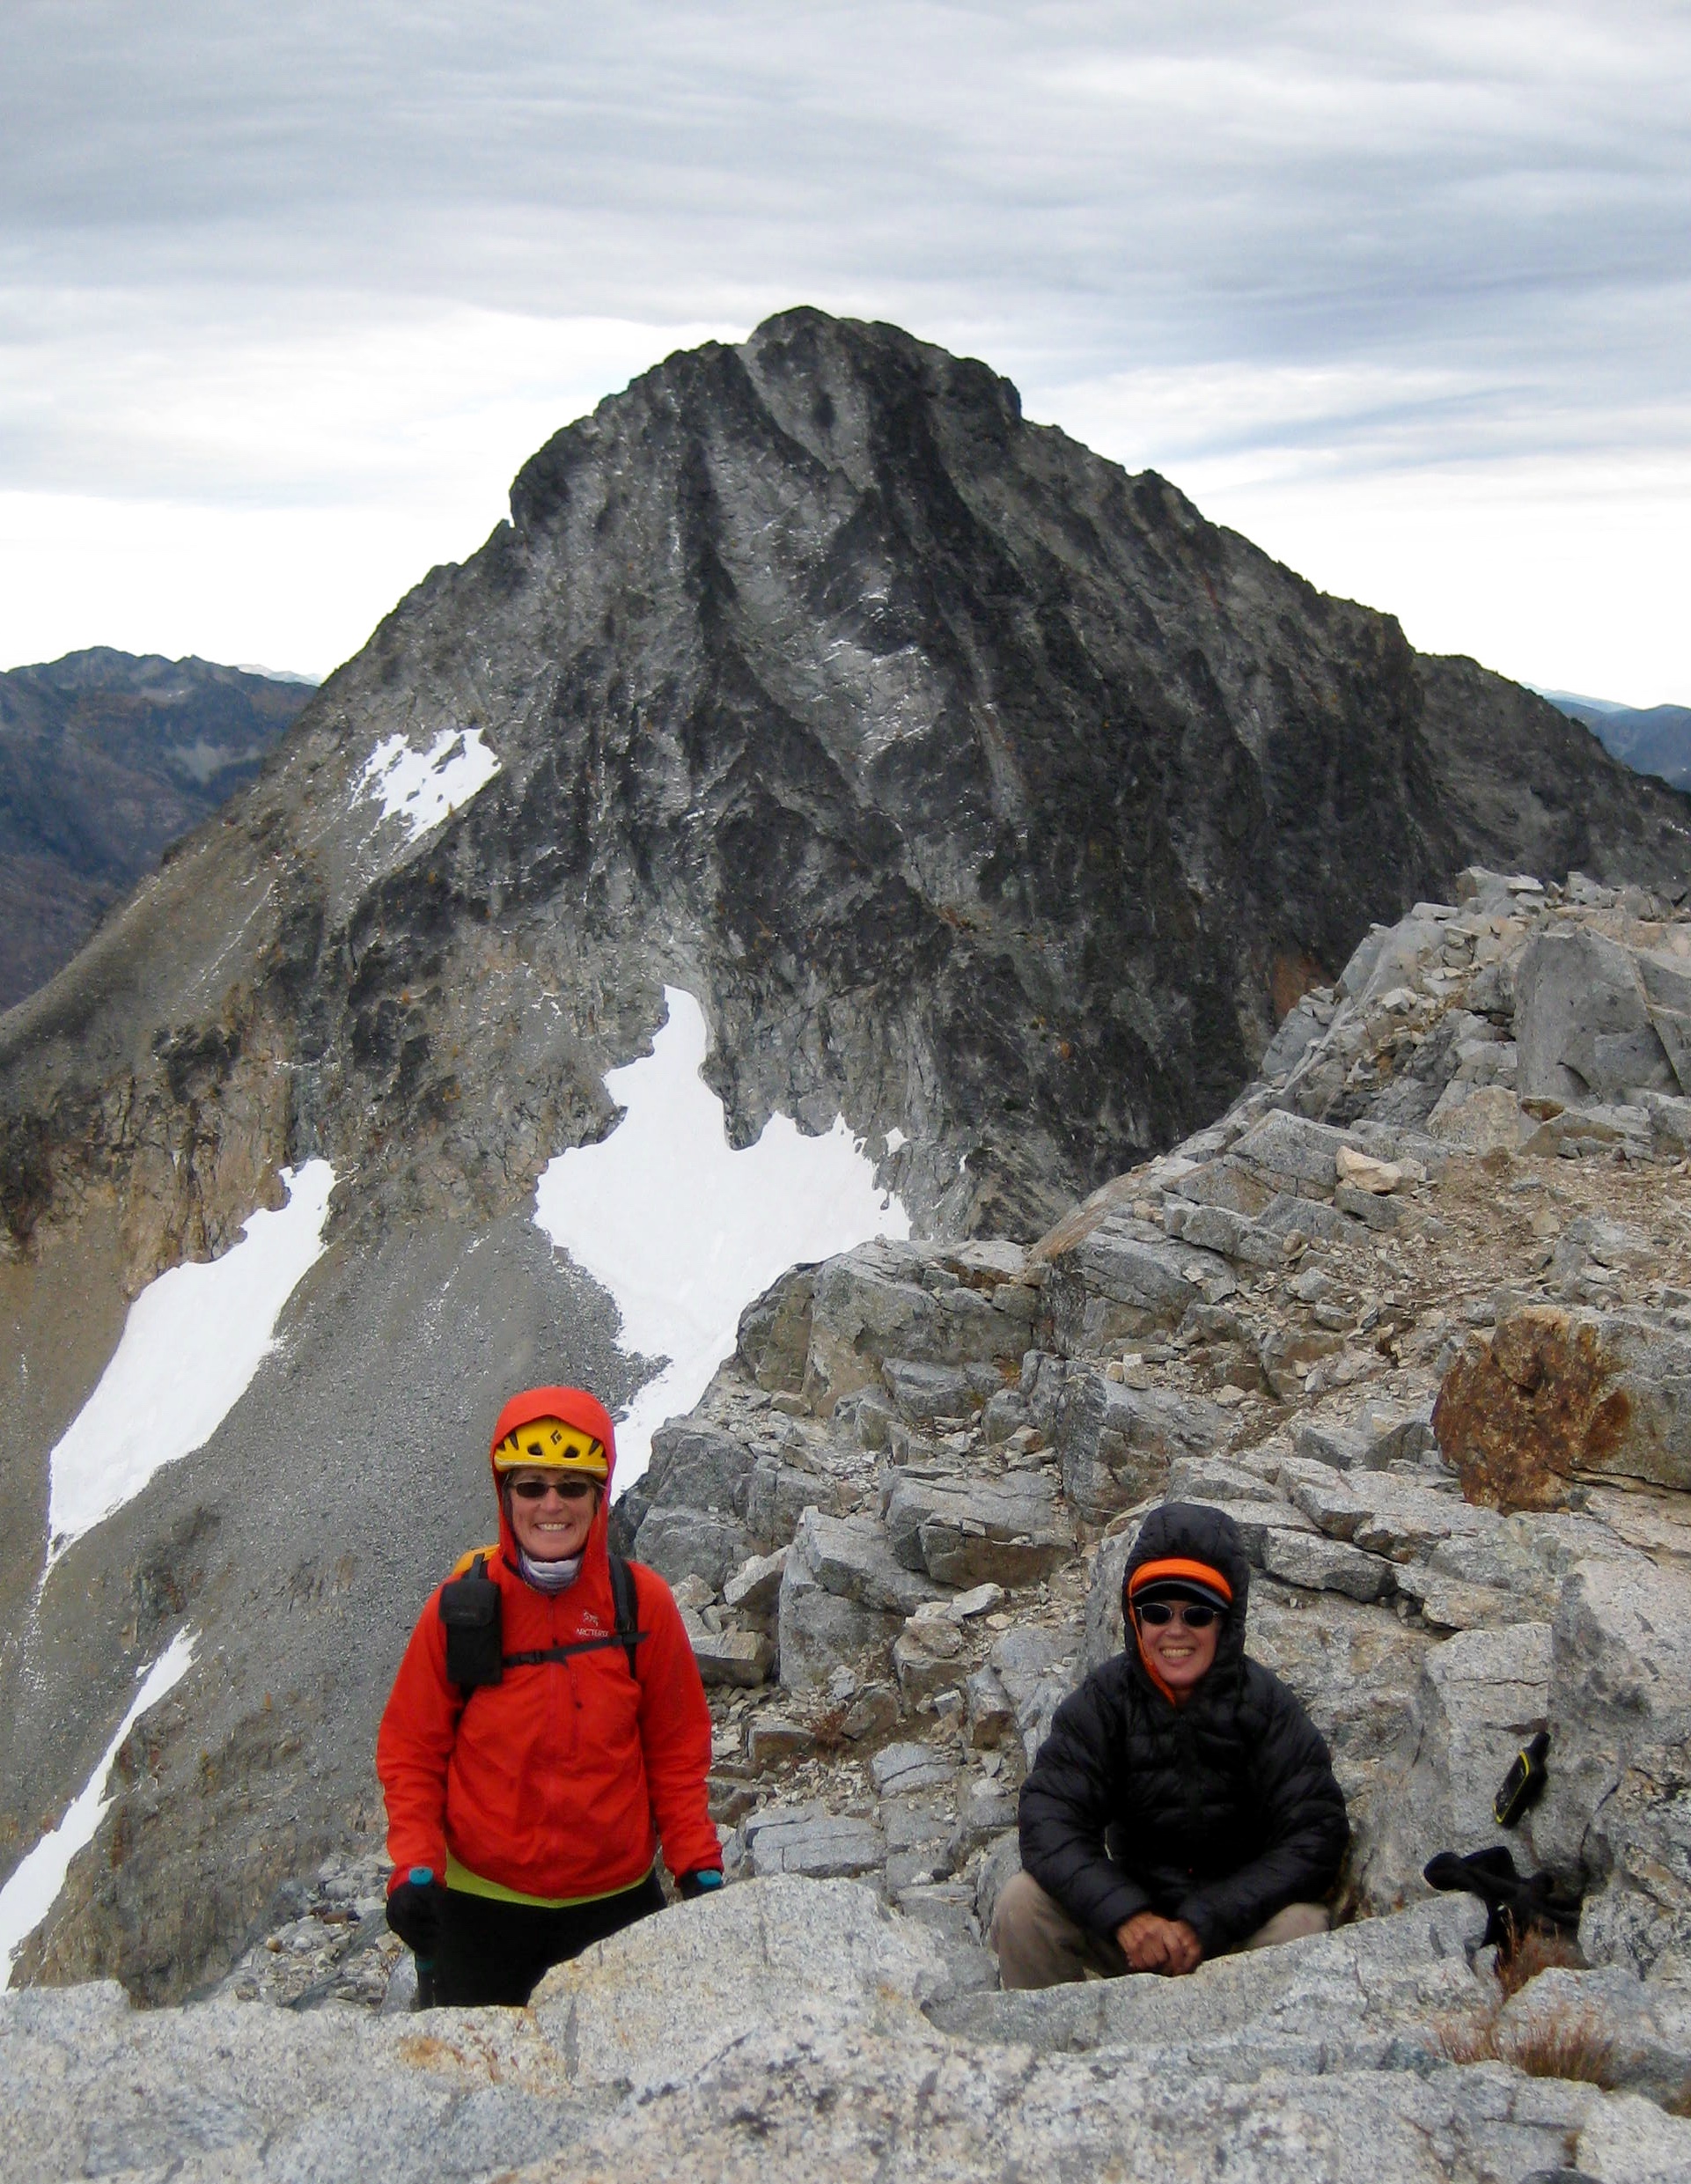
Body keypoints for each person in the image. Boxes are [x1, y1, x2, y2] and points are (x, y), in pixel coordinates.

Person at [378, 1385, 723, 2005]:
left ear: (599, 1494)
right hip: (482, 1909)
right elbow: (411, 1750)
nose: (551, 1504)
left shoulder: (640, 1603)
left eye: (572, 1485)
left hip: (615, 1903)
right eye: (530, 1486)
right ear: (504, 1495)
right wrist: (415, 1865)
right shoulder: (461, 1608)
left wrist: (695, 1861)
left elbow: (675, 1749)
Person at [992, 1501, 1348, 1987]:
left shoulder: (1266, 1706)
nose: (1175, 1631)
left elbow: (1316, 1833)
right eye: (1156, 1611)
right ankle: (1052, 2059)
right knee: (1021, 1905)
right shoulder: (1103, 1703)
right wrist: (1127, 1916)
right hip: (1135, 1931)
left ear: (1226, 1622)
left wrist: (1209, 1921)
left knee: (1302, 1926)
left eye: (1198, 1613)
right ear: (1134, 1618)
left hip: (1235, 1929)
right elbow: (1049, 1818)